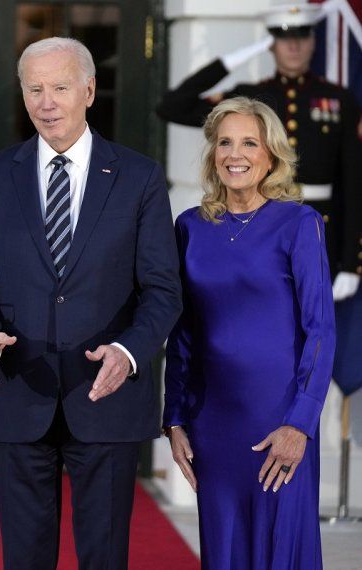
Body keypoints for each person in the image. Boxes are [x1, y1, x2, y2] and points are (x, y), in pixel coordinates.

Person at [0, 37, 182, 569]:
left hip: (106, 396)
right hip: (19, 391)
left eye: (59, 87)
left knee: (104, 555)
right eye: (34, 89)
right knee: (25, 556)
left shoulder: (139, 177)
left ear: (89, 89)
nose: (46, 101)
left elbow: (162, 289)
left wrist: (128, 353)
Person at [163, 96, 335, 569]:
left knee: (282, 546)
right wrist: (174, 417)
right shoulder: (190, 227)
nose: (235, 154)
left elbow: (320, 330)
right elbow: (182, 331)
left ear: (271, 155)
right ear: (213, 153)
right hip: (211, 422)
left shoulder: (298, 223)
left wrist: (300, 423)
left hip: (279, 418)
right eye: (225, 143)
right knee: (224, 548)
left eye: (249, 143)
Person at [156, 3, 362, 299]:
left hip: (319, 230)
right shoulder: (250, 99)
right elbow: (172, 106)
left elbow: (354, 184)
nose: (293, 46)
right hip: (258, 225)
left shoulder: (339, 100)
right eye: (281, 37)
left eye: (302, 36)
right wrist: (238, 57)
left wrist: (351, 261)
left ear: (313, 42)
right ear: (271, 44)